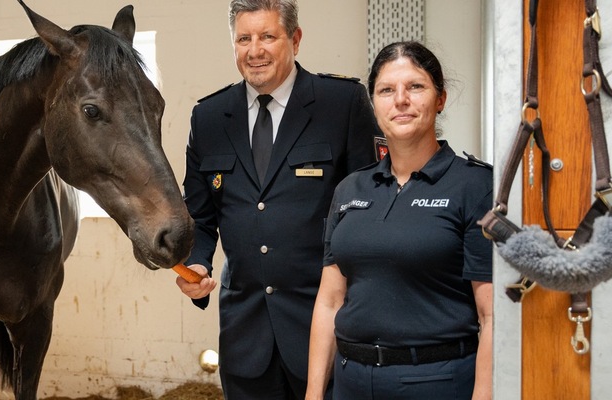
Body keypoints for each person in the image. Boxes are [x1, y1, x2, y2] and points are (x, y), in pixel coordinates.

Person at [176, 0, 382, 398]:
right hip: (244, 332)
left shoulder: (340, 103)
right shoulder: (209, 117)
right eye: (244, 39)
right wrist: (197, 263)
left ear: (295, 39)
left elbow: (370, 207)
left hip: (328, 327)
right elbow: (199, 217)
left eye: (268, 36)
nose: (255, 51)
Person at [305, 41, 493, 400]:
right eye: (386, 90)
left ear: (440, 99)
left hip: (436, 382)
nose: (400, 100)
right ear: (374, 105)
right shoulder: (349, 188)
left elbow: (492, 317)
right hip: (351, 382)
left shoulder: (475, 185)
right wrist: (314, 394)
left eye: (416, 87)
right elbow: (330, 301)